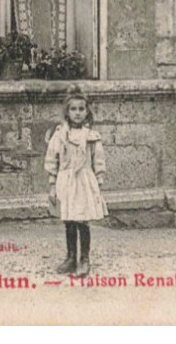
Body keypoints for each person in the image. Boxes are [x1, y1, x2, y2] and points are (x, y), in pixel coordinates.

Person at [44, 86, 107, 276]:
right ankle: (71, 257)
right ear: (67, 112)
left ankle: (84, 259)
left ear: (87, 112)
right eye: (73, 109)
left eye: (81, 109)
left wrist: (99, 179)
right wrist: (52, 184)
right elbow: (51, 159)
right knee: (69, 219)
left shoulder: (91, 137)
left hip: (84, 180)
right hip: (66, 180)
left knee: (82, 220)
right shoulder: (60, 135)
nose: (78, 113)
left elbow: (98, 159)